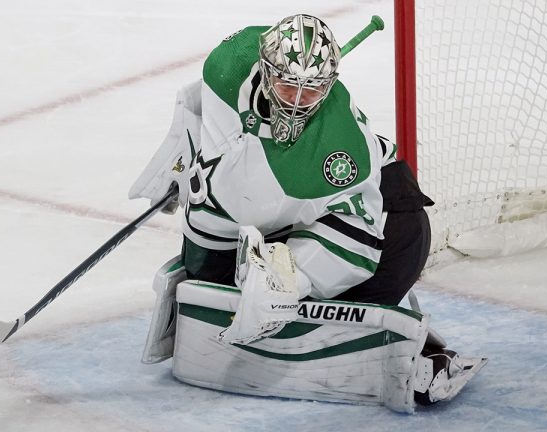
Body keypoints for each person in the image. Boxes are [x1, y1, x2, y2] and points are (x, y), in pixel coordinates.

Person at [130, 13, 484, 408]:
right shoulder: (230, 62)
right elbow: (203, 103)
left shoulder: (338, 150)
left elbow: (357, 242)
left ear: (328, 87)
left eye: (312, 93)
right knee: (214, 261)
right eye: (287, 86)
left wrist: (288, 279)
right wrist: (180, 157)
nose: (298, 103)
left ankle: (403, 349)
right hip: (295, 203)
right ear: (265, 70)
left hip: (384, 220)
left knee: (311, 292)